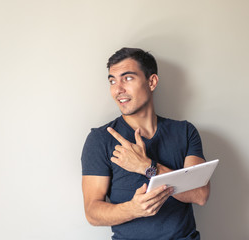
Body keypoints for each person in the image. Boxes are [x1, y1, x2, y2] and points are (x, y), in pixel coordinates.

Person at [81, 48, 210, 240]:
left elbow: (200, 194)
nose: (118, 89)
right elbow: (92, 212)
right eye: (112, 81)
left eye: (128, 78)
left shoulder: (184, 131)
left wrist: (147, 167)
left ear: (152, 82)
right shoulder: (101, 139)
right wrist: (132, 209)